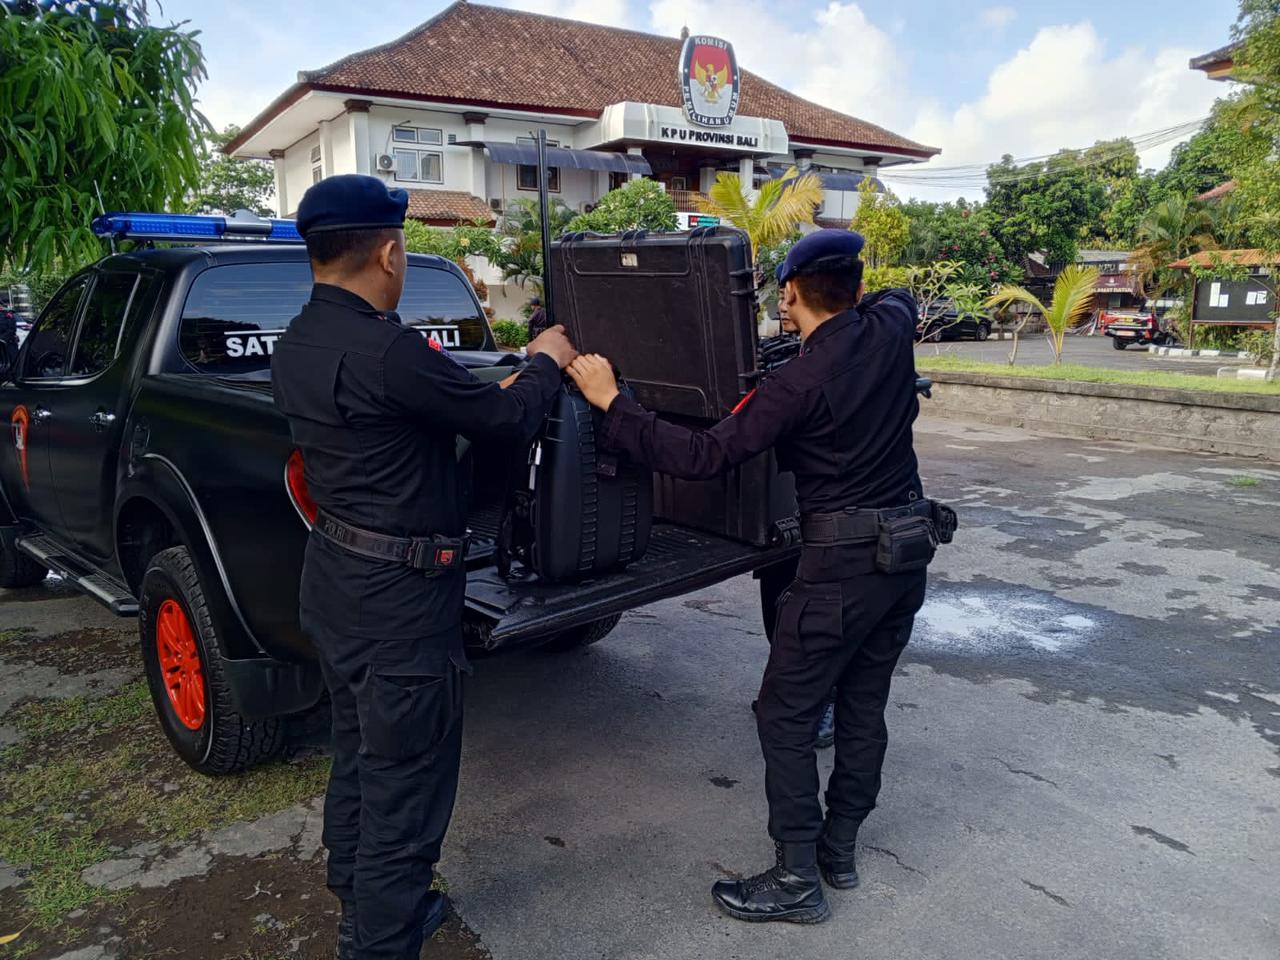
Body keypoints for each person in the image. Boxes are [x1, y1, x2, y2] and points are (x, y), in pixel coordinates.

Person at [568, 230, 932, 925]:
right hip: (904, 557)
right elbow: (898, 299)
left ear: (789, 294)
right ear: (857, 290)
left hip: (840, 571)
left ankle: (796, 880)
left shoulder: (794, 385)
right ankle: (839, 852)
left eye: (784, 296)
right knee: (863, 706)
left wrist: (613, 402)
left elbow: (702, 456)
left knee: (784, 716)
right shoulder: (890, 329)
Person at [272, 174, 576, 960]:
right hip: (399, 606)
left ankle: (364, 910)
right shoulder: (389, 351)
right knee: (405, 792)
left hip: (336, 583)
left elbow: (421, 416)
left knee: (359, 759)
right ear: (388, 253)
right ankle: (379, 939)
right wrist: (545, 360)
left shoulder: (298, 340)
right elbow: (502, 418)